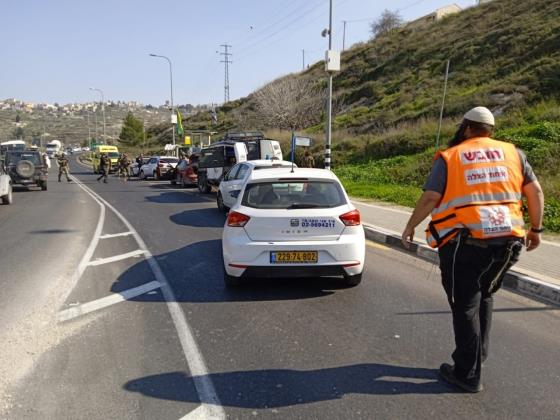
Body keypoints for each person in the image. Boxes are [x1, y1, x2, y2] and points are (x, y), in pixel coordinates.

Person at [401, 106, 544, 393]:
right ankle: (478, 358)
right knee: (486, 293)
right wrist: (536, 230)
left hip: (464, 244)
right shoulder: (514, 154)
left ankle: (467, 373)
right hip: (508, 243)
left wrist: (410, 226)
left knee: (464, 303)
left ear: (466, 128)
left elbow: (431, 197)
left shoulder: (452, 156)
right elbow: (535, 191)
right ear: (490, 130)